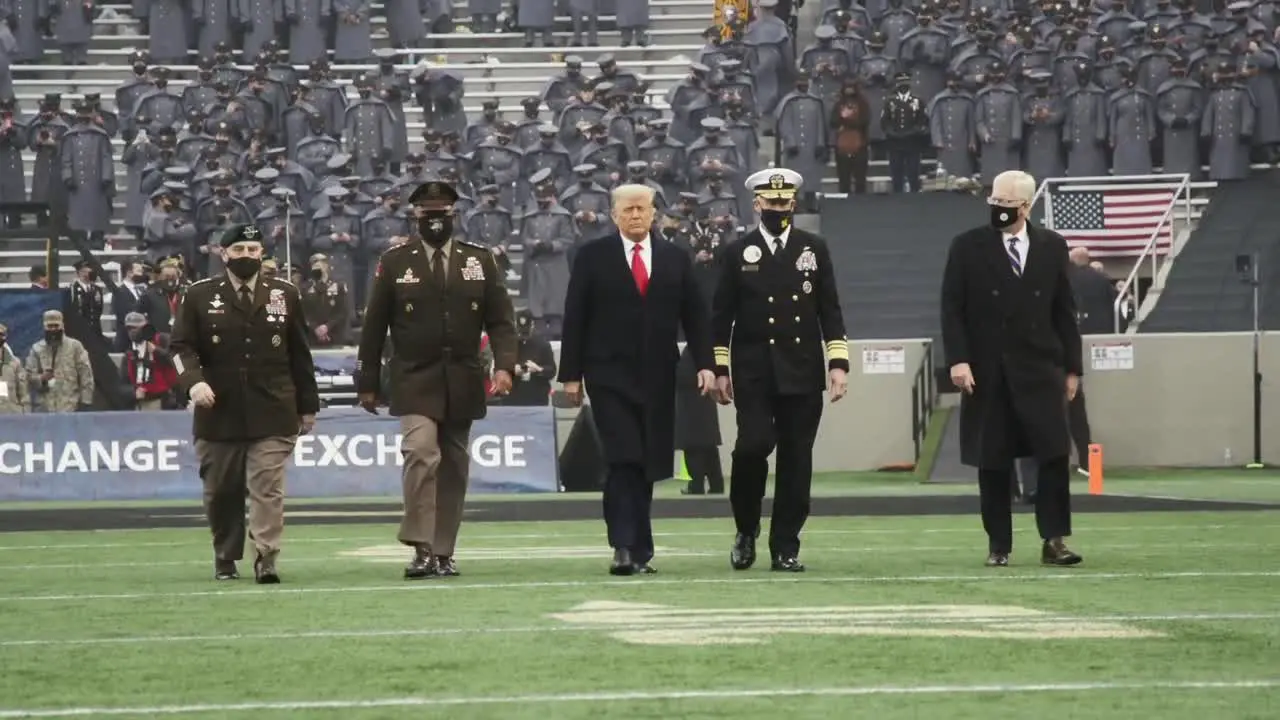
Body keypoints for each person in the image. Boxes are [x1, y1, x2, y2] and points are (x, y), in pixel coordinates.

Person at [355, 180, 517, 580]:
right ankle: (421, 545)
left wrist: (505, 366)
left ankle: (444, 550)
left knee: (454, 466)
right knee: (421, 452)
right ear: (415, 217)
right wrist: (368, 381)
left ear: (455, 216)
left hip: (462, 376)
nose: (435, 222)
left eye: (442, 215)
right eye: (427, 215)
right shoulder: (395, 261)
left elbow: (501, 320)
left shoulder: (479, 260)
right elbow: (374, 326)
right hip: (413, 375)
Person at [558, 183, 714, 576]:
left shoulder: (676, 259)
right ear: (613, 215)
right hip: (607, 374)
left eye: (642, 209)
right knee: (623, 456)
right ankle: (624, 547)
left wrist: (708, 365)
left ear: (654, 214)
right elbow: (575, 316)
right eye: (627, 210)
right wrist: (571, 376)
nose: (635, 215)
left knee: (646, 463)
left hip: (659, 375)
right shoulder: (592, 257)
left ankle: (640, 548)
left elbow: (696, 317)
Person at [939, 170, 1084, 568]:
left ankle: (1054, 540)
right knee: (993, 459)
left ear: (1027, 206)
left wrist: (1073, 368)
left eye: (1007, 204)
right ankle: (998, 544)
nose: (999, 210)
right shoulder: (968, 247)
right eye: (995, 203)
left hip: (1040, 367)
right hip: (989, 370)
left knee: (1053, 455)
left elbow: (1064, 311)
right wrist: (958, 359)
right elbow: (952, 308)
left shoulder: (1052, 247)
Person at [711, 168, 849, 573]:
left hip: (802, 370)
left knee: (796, 459)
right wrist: (720, 368)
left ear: (793, 203)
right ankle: (746, 529)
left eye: (784, 203)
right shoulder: (738, 252)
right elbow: (720, 317)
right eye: (770, 203)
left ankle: (786, 544)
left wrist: (838, 364)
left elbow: (830, 310)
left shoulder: (813, 249)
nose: (778, 209)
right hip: (753, 372)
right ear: (757, 205)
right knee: (752, 447)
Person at [170, 224, 321, 584]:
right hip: (217, 411)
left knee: (266, 485)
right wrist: (194, 383)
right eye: (238, 251)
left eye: (253, 250)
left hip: (273, 408)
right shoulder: (199, 295)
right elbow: (180, 349)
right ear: (224, 255)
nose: (246, 257)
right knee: (221, 491)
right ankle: (225, 554)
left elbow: (300, 353)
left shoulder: (285, 293)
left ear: (262, 253)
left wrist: (308, 406)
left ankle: (266, 556)